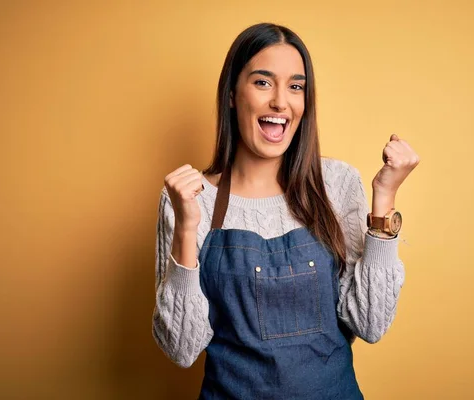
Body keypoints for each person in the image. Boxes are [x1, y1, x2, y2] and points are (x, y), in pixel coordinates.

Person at [152, 22, 420, 400]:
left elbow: (370, 323)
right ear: (231, 94)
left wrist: (384, 198)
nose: (281, 101)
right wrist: (185, 228)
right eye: (263, 82)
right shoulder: (191, 199)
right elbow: (181, 348)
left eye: (296, 86)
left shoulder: (337, 184)